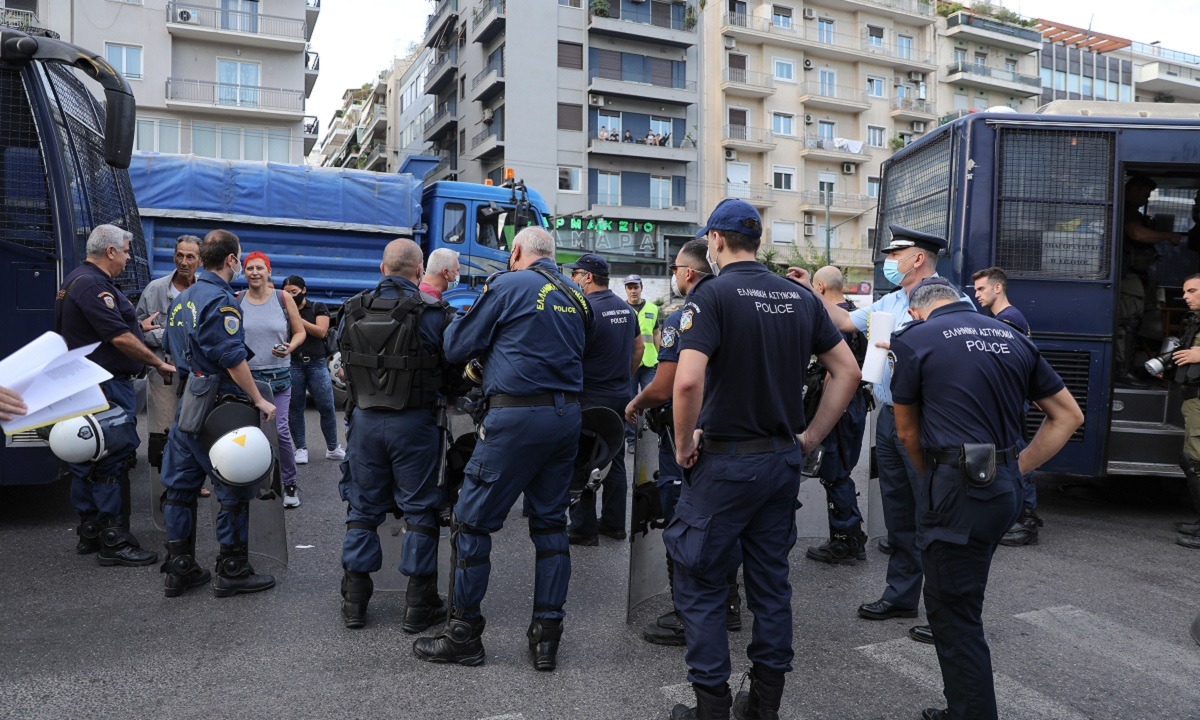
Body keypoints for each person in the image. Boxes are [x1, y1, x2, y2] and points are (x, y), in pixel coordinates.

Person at [668, 199, 860, 720]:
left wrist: (684, 445)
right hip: (779, 461)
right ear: (756, 241)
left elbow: (686, 380)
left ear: (715, 240)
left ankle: (711, 706)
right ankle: (765, 705)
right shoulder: (798, 297)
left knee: (702, 580)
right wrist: (811, 436)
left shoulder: (711, 295)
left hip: (725, 463)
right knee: (771, 584)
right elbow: (848, 372)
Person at [889, 277, 1082, 720]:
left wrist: (932, 481)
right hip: (1000, 488)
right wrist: (1016, 468)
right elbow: (1068, 416)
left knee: (953, 614)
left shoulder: (915, 339)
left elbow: (906, 431)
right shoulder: (1012, 337)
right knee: (963, 601)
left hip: (957, 489)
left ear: (918, 310)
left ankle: (971, 714)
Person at [413, 227, 587, 672]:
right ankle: (546, 640)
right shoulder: (576, 294)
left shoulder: (509, 284)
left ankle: (463, 634)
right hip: (566, 417)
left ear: (515, 252)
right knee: (550, 528)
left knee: (471, 523)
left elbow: (455, 346)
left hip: (516, 418)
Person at [789, 225, 972, 644]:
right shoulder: (891, 300)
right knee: (900, 513)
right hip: (891, 416)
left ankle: (946, 612)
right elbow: (843, 320)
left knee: (935, 513)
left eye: (896, 253)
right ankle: (902, 595)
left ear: (918, 258)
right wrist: (811, 289)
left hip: (930, 418)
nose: (890, 260)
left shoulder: (953, 303)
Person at [626, 239, 744, 647]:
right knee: (725, 524)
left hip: (690, 435)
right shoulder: (736, 309)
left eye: (676, 269)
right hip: (732, 434)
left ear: (689, 273)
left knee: (684, 524)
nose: (674, 276)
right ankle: (728, 604)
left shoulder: (686, 316)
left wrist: (637, 402)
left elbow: (666, 385)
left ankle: (687, 613)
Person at [337, 238, 456, 630]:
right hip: (415, 424)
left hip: (364, 423)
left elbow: (341, 365)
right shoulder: (435, 311)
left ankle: (355, 601)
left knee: (362, 507)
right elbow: (454, 369)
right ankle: (419, 604)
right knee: (420, 509)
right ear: (419, 271)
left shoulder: (351, 307)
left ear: (381, 268)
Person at [159, 229, 277, 598]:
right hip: (220, 408)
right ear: (230, 260)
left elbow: (168, 347)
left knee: (179, 488)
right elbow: (232, 358)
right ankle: (232, 569)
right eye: (238, 258)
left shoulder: (183, 299)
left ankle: (179, 570)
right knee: (232, 483)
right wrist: (258, 399)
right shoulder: (222, 302)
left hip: (187, 407)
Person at [58, 224, 172, 566]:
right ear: (109, 251)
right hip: (104, 385)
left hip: (85, 382)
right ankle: (114, 540)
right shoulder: (94, 286)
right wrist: (158, 363)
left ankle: (90, 531)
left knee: (84, 455)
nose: (126, 258)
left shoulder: (77, 280)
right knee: (111, 458)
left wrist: (140, 327)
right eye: (124, 251)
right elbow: (118, 337)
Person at [565, 253, 642, 545]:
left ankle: (583, 528)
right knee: (615, 459)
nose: (573, 280)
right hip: (619, 395)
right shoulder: (625, 309)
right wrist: (624, 377)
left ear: (588, 276)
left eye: (576, 275)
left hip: (589, 398)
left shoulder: (584, 309)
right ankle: (613, 523)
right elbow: (637, 349)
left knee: (585, 459)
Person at [804, 265, 871, 566]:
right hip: (856, 402)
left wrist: (821, 415)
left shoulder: (832, 320)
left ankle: (844, 541)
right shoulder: (855, 314)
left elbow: (837, 372)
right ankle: (852, 536)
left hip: (839, 403)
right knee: (840, 471)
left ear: (818, 287)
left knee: (834, 474)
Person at [972, 267, 1042, 548]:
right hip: (1010, 401)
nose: (976, 294)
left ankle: (1025, 522)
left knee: (1015, 456)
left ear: (998, 288)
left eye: (981, 289)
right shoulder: (1006, 318)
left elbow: (1007, 366)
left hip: (1008, 402)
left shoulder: (1008, 320)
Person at [238, 252, 305, 508]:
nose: (255, 272)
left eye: (260, 268)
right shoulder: (237, 300)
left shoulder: (282, 297)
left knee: (280, 431)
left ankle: (289, 484)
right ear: (243, 273)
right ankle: (250, 483)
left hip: (279, 377)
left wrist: (289, 347)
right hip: (247, 378)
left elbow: (299, 332)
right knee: (249, 433)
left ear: (269, 271)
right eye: (250, 268)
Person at [136, 235, 200, 489]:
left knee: (194, 426)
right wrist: (173, 333)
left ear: (200, 260)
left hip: (196, 372)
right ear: (174, 257)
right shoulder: (155, 289)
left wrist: (164, 331)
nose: (184, 262)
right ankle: (166, 484)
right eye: (180, 256)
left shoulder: (204, 291)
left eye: (190, 257)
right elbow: (138, 332)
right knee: (164, 429)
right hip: (164, 372)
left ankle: (194, 479)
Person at [1117, 176, 1182, 385]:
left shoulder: (1131, 211)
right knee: (1127, 324)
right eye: (1144, 194)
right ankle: (1121, 372)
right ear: (1133, 190)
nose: (1146, 199)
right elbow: (1137, 234)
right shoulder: (1125, 210)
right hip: (1126, 277)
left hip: (1134, 276)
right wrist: (1167, 235)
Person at [281, 275, 344, 466]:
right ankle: (301, 448)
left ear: (304, 290)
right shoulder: (282, 310)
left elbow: (321, 331)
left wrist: (296, 319)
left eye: (295, 292)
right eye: (287, 292)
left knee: (326, 406)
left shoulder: (318, 307)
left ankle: (333, 447)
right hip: (293, 364)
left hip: (316, 364)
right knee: (295, 408)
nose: (292, 296)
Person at [1170, 274, 1200, 550]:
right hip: (1192, 399)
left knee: (1196, 463)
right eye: (1185, 291)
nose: (1186, 296)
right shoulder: (1194, 320)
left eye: (1192, 291)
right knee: (1192, 461)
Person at [625, 273, 661, 452]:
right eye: (629, 287)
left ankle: (652, 435)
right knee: (629, 401)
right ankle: (631, 440)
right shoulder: (622, 309)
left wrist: (661, 356)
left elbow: (655, 334)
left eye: (635, 287)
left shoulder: (653, 308)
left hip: (649, 362)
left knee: (653, 400)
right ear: (626, 290)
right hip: (630, 363)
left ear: (641, 288)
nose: (633, 290)